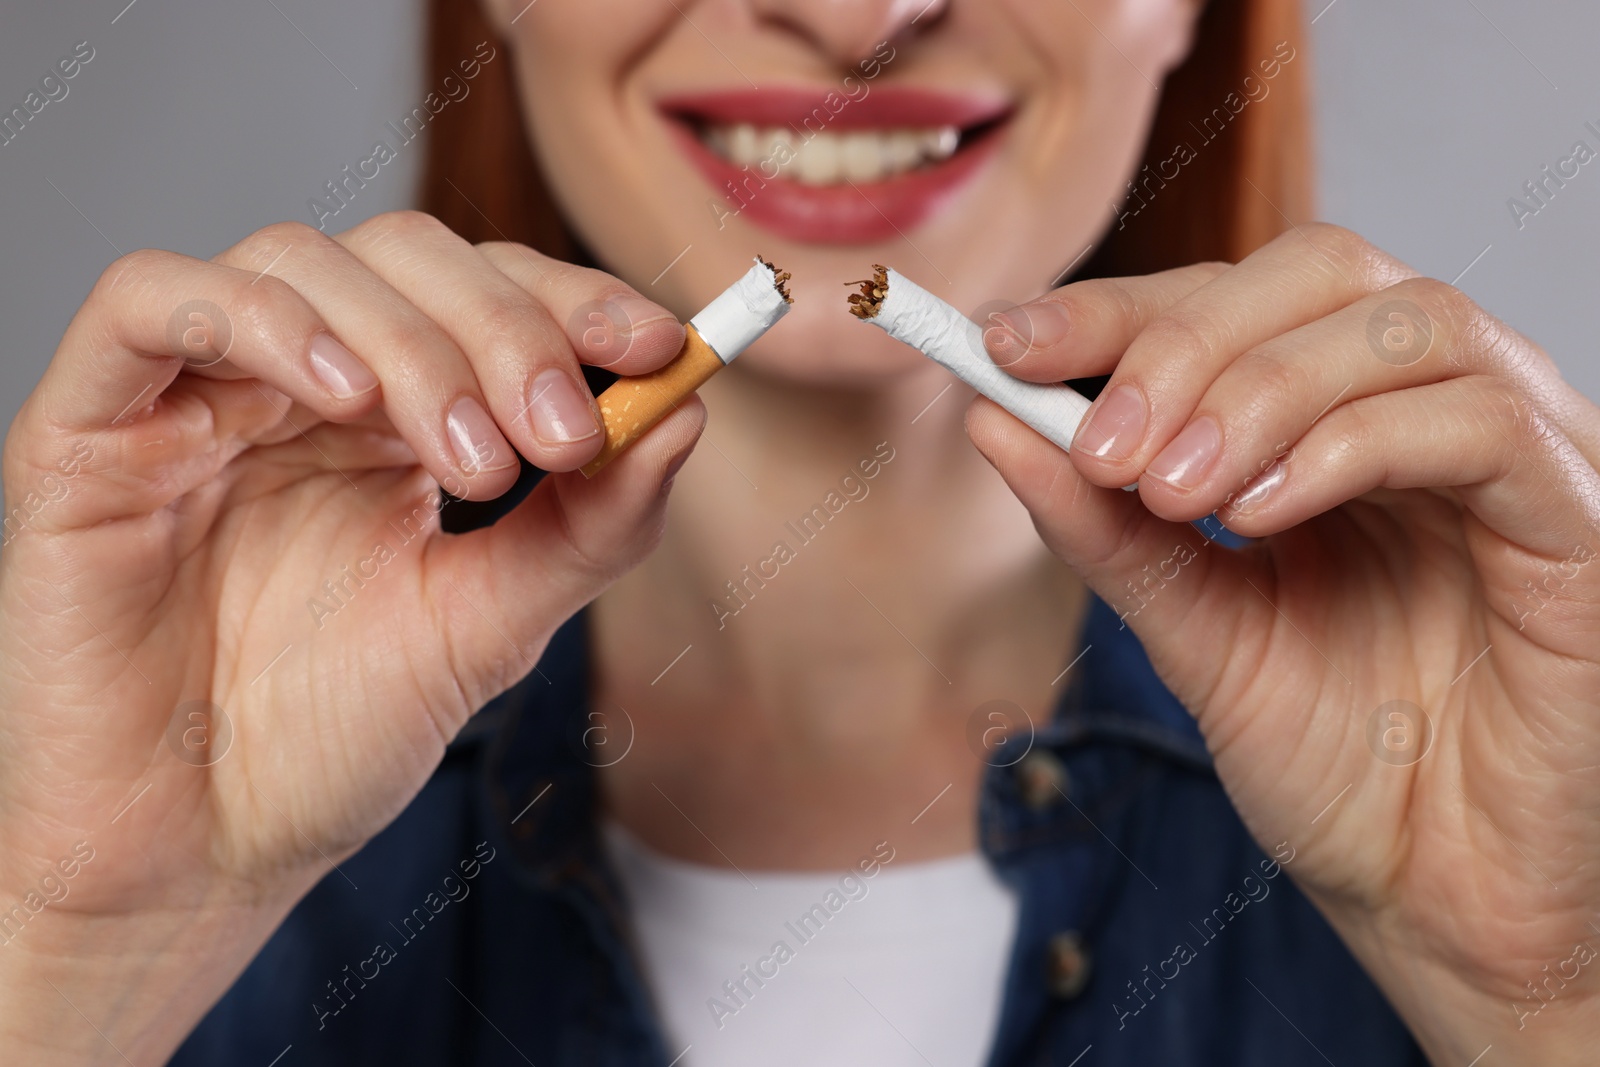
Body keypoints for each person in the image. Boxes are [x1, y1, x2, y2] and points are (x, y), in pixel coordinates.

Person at [2, 0, 1596, 1063]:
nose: (851, 12)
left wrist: (1551, 999)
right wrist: (70, 952)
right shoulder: (154, 799)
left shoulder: (1496, 785)